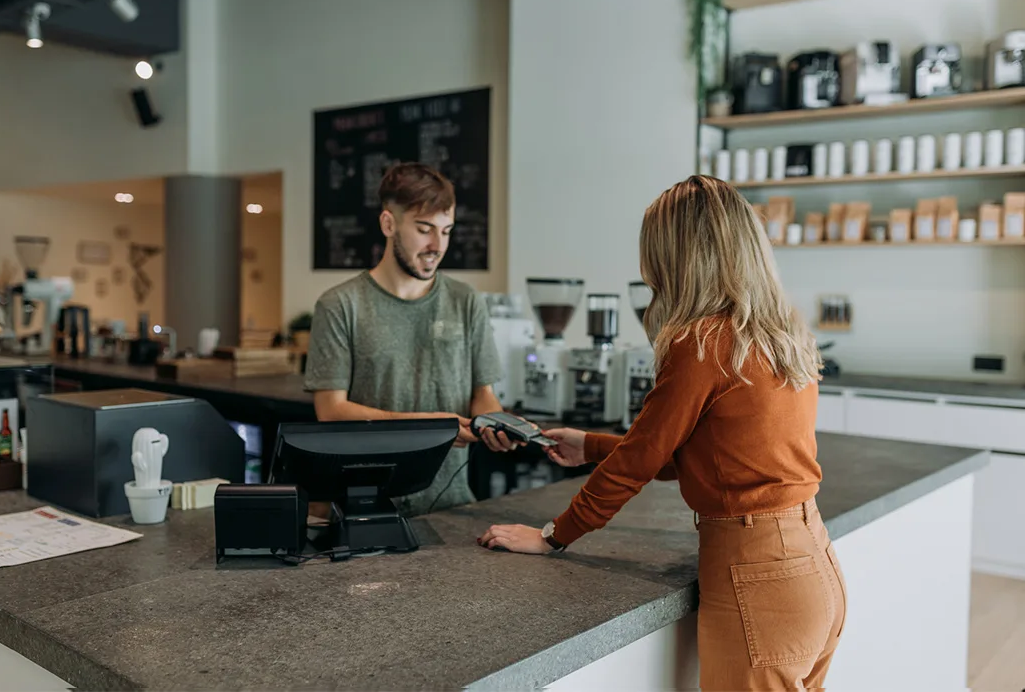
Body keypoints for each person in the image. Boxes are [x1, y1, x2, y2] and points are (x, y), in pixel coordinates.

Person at [478, 175, 848, 691]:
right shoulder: (775, 333)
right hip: (813, 563)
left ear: (675, 257)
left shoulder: (701, 340)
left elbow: (640, 462)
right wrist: (588, 444)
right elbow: (693, 454)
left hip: (757, 571)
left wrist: (553, 536)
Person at [304, 162, 521, 515]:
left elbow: (483, 394)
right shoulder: (340, 305)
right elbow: (331, 411)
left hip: (451, 505)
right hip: (363, 506)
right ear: (388, 223)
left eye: (447, 231)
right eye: (424, 229)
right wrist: (427, 428)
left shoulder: (465, 300)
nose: (438, 245)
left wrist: (495, 425)